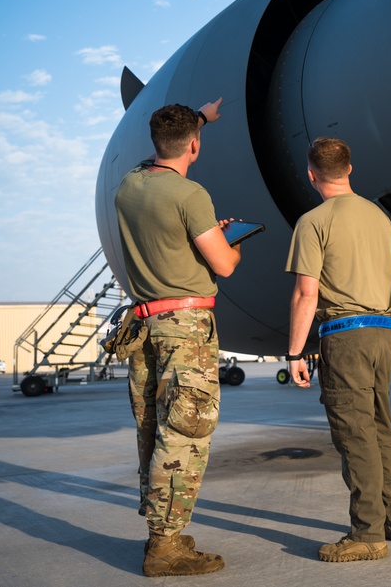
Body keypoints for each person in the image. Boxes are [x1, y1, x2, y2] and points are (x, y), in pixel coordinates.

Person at [115, 99, 242, 577]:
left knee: (155, 430)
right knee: (185, 433)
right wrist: (227, 243)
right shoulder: (191, 195)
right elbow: (224, 265)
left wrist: (199, 119)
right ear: (194, 144)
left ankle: (161, 532)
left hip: (145, 324)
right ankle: (165, 549)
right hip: (185, 330)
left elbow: (162, 155)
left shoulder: (129, 186)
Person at [285, 136, 391, 562]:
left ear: (311, 173)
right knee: (379, 428)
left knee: (355, 435)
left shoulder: (314, 221)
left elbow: (306, 293)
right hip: (384, 333)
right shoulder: (378, 216)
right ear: (350, 169)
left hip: (346, 336)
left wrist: (295, 353)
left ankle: (367, 534)